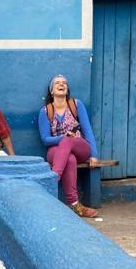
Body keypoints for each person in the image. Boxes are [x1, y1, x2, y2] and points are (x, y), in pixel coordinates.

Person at [37, 75, 99, 218]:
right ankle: (75, 204)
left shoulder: (76, 105)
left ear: (67, 88)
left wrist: (94, 155)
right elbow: (45, 139)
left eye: (64, 83)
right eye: (57, 83)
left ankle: (53, 179)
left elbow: (87, 130)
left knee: (69, 142)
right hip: (56, 150)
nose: (62, 84)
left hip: (80, 147)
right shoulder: (45, 111)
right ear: (51, 90)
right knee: (69, 158)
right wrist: (62, 138)